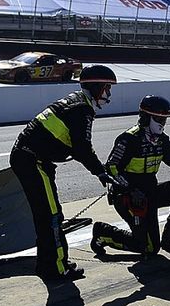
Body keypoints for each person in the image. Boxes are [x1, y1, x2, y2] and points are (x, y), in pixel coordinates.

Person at [10, 64, 120, 281]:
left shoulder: (76, 102)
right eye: (107, 88)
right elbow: (82, 148)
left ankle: (49, 264)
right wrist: (100, 173)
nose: (109, 93)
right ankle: (56, 269)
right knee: (50, 217)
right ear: (97, 87)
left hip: (33, 159)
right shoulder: (83, 109)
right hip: (34, 161)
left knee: (50, 215)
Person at [90, 95, 170, 259]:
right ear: (145, 117)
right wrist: (130, 190)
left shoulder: (161, 140)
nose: (162, 123)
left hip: (150, 192)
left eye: (164, 119)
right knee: (149, 248)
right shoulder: (129, 139)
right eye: (158, 119)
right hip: (128, 198)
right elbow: (112, 167)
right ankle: (102, 232)